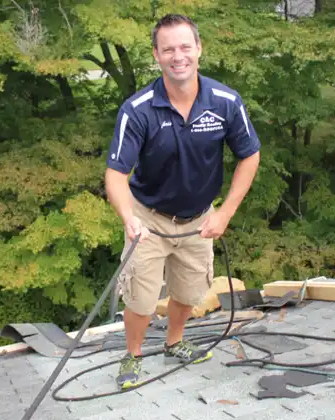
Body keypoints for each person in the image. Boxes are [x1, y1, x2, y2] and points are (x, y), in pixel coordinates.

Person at [104, 13, 261, 389]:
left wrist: (225, 213)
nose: (178, 56)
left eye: (185, 47)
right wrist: (129, 218)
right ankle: (134, 354)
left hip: (199, 220)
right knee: (140, 298)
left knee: (190, 291)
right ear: (156, 55)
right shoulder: (137, 109)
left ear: (199, 49)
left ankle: (175, 342)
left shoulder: (225, 101)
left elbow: (250, 155)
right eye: (168, 49)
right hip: (149, 219)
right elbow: (115, 175)